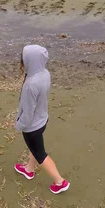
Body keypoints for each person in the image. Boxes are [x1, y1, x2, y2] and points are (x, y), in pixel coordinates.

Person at [13, 44, 70, 194]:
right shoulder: (45, 73)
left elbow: (28, 112)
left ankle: (60, 182)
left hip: (32, 127)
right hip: (43, 119)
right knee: (35, 147)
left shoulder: (30, 85)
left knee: (41, 154)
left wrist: (19, 125)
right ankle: (29, 170)